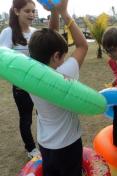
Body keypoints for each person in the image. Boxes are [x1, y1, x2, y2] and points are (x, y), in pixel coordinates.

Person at [28, 0, 88, 175]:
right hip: (68, 145)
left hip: (45, 143)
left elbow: (49, 38)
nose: (64, 60)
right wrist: (64, 13)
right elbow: (83, 45)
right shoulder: (63, 75)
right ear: (56, 56)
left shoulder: (30, 74)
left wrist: (54, 12)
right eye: (62, 57)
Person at [0, 0, 58, 158]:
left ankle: (44, 144)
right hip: (21, 87)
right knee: (26, 119)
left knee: (43, 116)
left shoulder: (35, 32)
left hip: (39, 86)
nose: (32, 15)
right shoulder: (8, 33)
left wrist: (55, 11)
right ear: (16, 11)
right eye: (27, 11)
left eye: (34, 11)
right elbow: (3, 60)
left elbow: (52, 37)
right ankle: (31, 148)